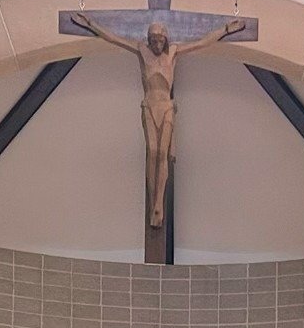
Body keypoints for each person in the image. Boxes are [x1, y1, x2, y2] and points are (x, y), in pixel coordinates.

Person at [69, 12, 248, 228]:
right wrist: (91, 24)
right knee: (152, 152)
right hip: (149, 106)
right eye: (153, 40)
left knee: (162, 154)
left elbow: (201, 42)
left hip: (167, 108)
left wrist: (226, 30)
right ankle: (153, 198)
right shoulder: (141, 51)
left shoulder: (173, 52)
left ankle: (158, 204)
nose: (156, 44)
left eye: (160, 40)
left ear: (165, 40)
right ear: (149, 40)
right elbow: (114, 38)